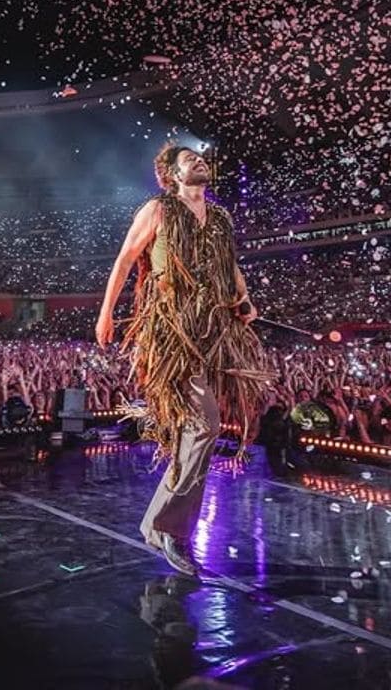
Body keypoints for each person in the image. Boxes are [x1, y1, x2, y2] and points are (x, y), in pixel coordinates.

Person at [94, 141, 272, 576]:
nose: (198, 161)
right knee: (204, 426)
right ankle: (165, 528)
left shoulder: (221, 219)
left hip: (213, 333)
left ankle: (163, 526)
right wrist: (105, 315)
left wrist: (245, 300)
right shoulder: (157, 209)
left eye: (200, 158)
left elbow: (230, 268)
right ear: (171, 174)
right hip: (172, 337)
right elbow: (124, 260)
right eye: (188, 159)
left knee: (196, 436)